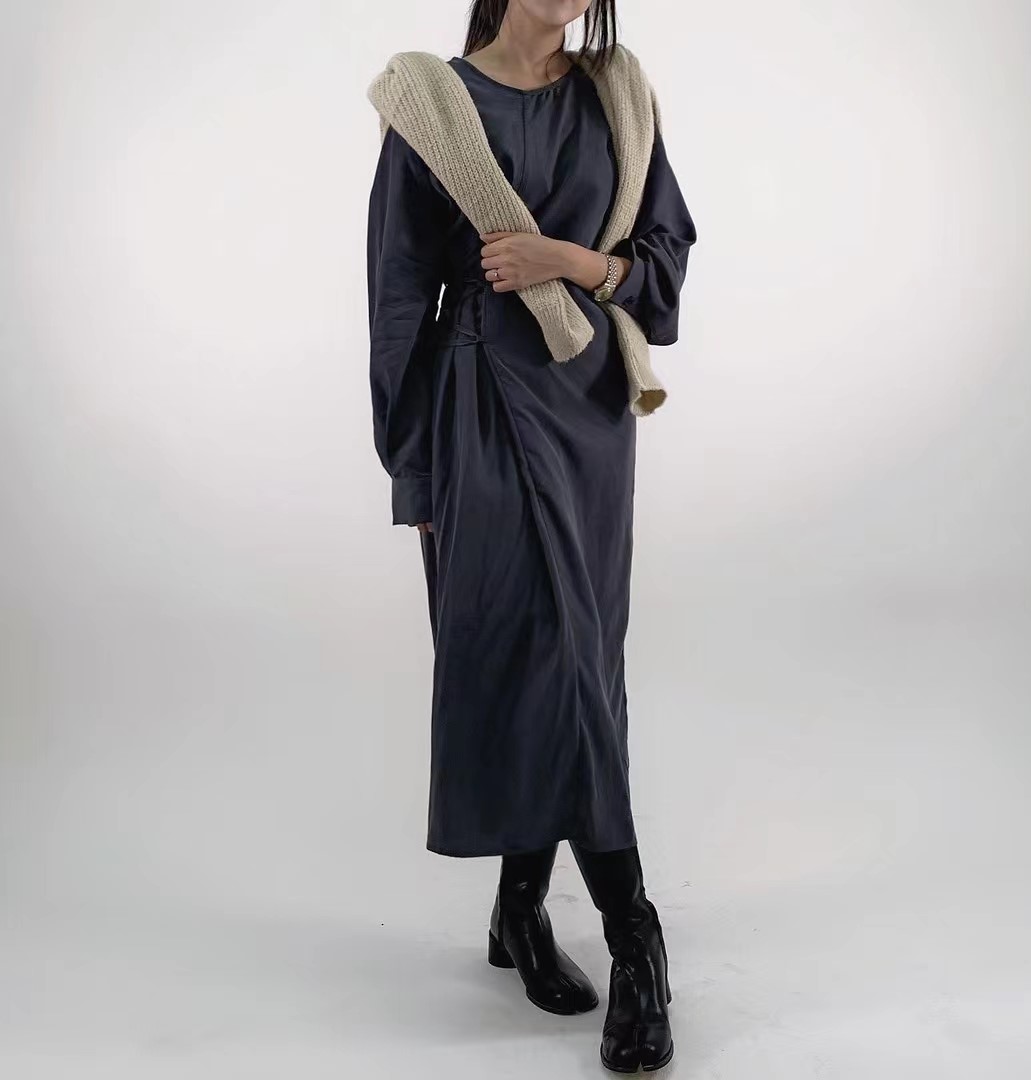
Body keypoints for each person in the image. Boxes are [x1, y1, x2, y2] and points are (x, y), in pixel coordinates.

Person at [366, 0, 696, 1071]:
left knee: (581, 662)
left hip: (592, 411)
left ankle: (519, 906)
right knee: (529, 654)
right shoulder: (433, 100)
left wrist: (569, 261)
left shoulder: (619, 96)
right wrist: (413, 463)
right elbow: (398, 295)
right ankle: (636, 940)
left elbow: (664, 257)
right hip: (479, 409)